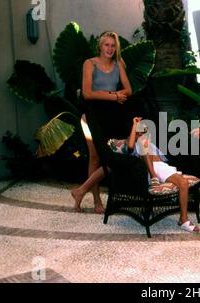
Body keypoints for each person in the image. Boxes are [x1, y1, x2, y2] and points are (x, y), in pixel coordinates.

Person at [72, 117, 200, 233]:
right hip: (143, 171)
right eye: (139, 130)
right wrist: (134, 126)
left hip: (160, 167)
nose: (142, 132)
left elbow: (161, 160)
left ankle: (183, 219)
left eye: (144, 130)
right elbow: (131, 146)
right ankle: (154, 176)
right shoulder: (132, 145)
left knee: (183, 183)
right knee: (140, 147)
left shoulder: (149, 143)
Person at [80, 31, 133, 214]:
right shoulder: (90, 64)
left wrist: (118, 96)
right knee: (95, 157)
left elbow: (128, 90)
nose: (110, 49)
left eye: (113, 45)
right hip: (92, 115)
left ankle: (80, 192)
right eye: (106, 45)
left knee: (114, 156)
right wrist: (113, 96)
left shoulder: (118, 64)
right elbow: (87, 93)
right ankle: (96, 201)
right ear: (100, 46)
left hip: (113, 114)